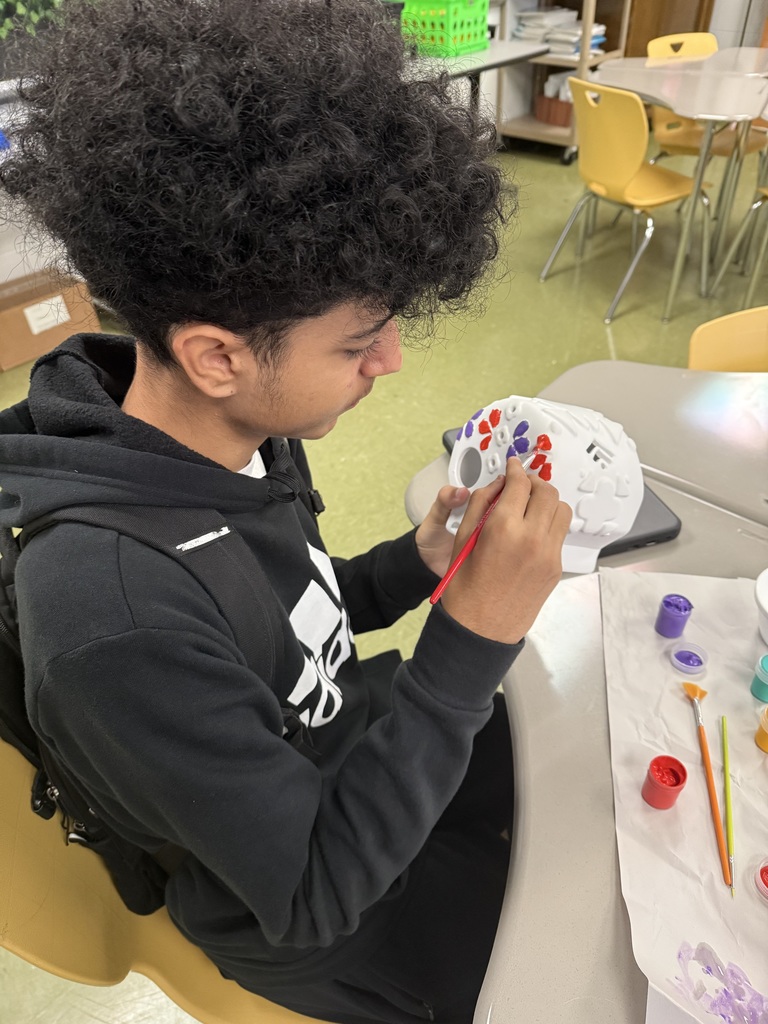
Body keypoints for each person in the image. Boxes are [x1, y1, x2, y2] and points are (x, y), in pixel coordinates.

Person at [0, 1, 571, 1021]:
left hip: (349, 745)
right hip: (314, 904)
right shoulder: (110, 614)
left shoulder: (244, 429)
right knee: (563, 962)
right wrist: (472, 635)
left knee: (574, 784)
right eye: (359, 344)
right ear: (218, 354)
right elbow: (311, 893)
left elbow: (283, 623)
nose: (391, 362)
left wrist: (412, 564)